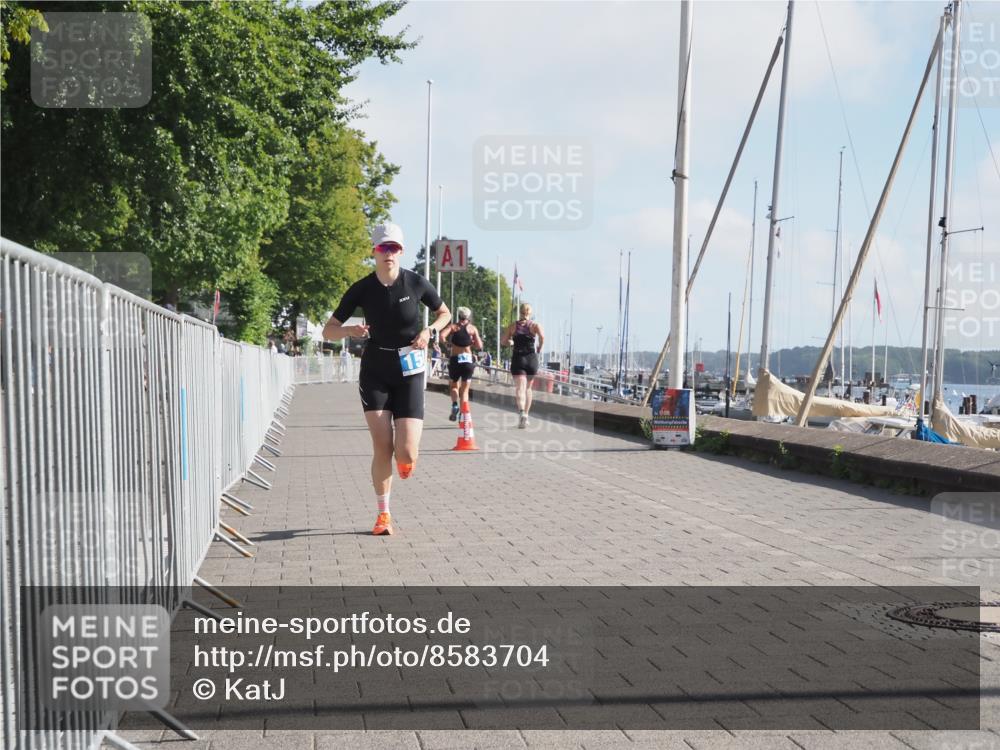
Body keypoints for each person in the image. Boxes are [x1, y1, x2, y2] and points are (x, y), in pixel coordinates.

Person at [322, 222, 451, 536]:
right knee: (382, 446)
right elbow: (329, 329)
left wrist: (428, 331)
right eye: (383, 248)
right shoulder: (362, 288)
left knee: (405, 452)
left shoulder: (416, 283)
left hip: (409, 367)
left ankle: (407, 459)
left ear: (401, 251)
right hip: (376, 368)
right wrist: (349, 331)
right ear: (374, 252)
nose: (388, 253)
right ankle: (383, 515)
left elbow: (444, 313)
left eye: (394, 248)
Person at [502, 302, 545, 428]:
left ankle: (521, 413)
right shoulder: (535, 325)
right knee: (528, 389)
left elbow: (503, 341)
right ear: (530, 313)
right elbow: (542, 337)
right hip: (531, 359)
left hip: (518, 359)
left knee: (520, 388)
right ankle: (526, 415)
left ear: (520, 312)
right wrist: (539, 347)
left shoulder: (512, 326)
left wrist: (510, 342)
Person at [444, 307, 484, 420]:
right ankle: (463, 414)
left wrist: (447, 344)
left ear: (459, 316)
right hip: (467, 361)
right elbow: (479, 346)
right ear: (469, 317)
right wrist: (472, 342)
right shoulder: (472, 329)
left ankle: (455, 405)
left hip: (455, 360)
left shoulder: (453, 327)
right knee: (465, 390)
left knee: (453, 386)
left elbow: (442, 336)